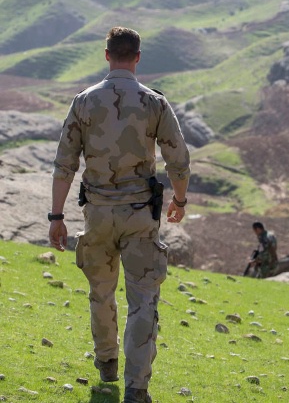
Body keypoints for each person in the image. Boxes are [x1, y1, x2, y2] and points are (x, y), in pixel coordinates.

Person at [48, 27, 190, 403]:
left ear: (107, 55)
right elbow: (178, 159)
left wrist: (56, 217)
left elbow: (64, 164)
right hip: (140, 214)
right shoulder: (155, 103)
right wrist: (180, 200)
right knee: (143, 299)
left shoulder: (83, 102)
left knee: (101, 292)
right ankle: (136, 388)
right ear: (138, 57)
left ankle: (106, 363)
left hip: (97, 213)